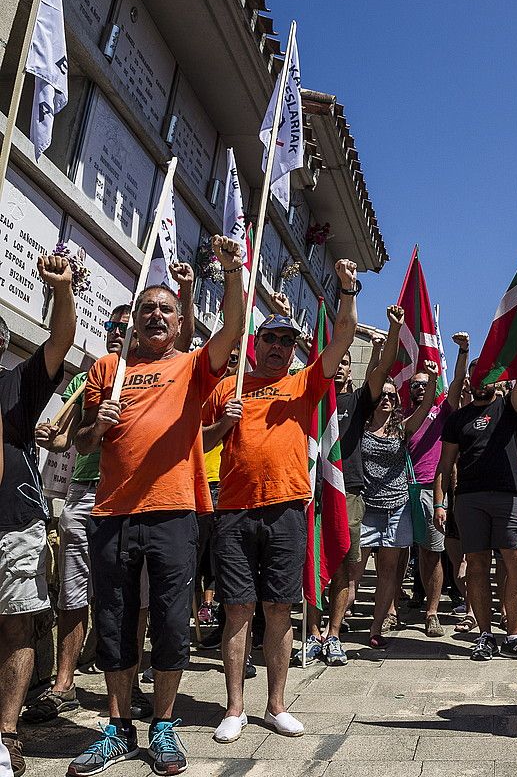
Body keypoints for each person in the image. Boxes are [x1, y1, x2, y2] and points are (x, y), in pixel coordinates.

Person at [68, 237, 244, 777]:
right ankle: (117, 728)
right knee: (116, 622)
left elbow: (233, 329)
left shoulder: (192, 368)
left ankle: (163, 724)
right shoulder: (106, 370)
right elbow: (80, 444)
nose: (157, 316)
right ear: (133, 322)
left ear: (177, 321)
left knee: (170, 620)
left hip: (174, 513)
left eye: (167, 309)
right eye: (147, 309)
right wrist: (100, 422)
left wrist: (234, 271)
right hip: (113, 513)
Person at [202, 259, 359, 744]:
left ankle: (275, 706)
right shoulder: (229, 387)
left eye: (287, 341)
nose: (278, 347)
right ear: (257, 343)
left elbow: (344, 336)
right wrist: (224, 423)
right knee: (237, 609)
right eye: (270, 338)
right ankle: (234, 708)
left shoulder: (304, 383)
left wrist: (347, 290)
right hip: (234, 510)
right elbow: (201, 443)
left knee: (279, 609)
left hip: (288, 507)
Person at [27, 305, 154, 725]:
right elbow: (66, 439)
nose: (116, 333)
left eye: (125, 327)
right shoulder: (86, 379)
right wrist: (49, 437)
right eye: (111, 326)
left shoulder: (149, 378)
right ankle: (64, 683)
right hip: (86, 494)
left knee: (133, 594)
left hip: (134, 494)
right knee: (73, 588)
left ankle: (129, 683)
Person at [0, 256, 76, 777]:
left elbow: (60, 340)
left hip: (13, 523)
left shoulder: (17, 384)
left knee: (16, 628)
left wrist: (64, 291)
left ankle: (7, 735)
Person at [300, 304, 404, 665]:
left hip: (350, 491)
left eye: (345, 362)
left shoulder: (359, 400)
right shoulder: (308, 398)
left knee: (345, 564)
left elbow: (383, 368)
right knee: (311, 560)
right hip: (311, 489)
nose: (340, 366)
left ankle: (333, 634)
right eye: (335, 361)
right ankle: (311, 633)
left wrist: (394, 330)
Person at [433, 354, 517, 663]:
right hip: (469, 498)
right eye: (476, 376)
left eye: (488, 375)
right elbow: (445, 464)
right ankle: (485, 635)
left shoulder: (509, 408)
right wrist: (440, 502)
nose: (482, 381)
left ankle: (515, 635)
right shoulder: (457, 418)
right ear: (469, 381)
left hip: (508, 497)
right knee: (477, 566)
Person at [362, 361, 439, 648]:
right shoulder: (360, 427)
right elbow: (371, 380)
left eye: (392, 396)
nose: (386, 399)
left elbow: (426, 404)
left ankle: (375, 628)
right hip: (367, 506)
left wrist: (431, 378)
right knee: (354, 570)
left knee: (388, 571)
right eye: (382, 394)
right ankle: (335, 627)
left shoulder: (401, 430)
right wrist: (378, 352)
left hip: (397, 507)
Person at [407, 332, 469, 637]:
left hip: (433, 488)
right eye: (414, 384)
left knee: (432, 553)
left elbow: (456, 383)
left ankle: (432, 613)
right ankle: (391, 609)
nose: (420, 388)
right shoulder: (399, 414)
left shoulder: (443, 409)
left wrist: (463, 352)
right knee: (397, 555)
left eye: (424, 383)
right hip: (401, 490)